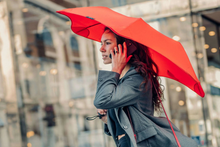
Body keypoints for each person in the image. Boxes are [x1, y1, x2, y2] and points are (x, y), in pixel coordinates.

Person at [94, 28, 198, 147]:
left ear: (124, 47)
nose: (101, 48)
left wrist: (116, 69)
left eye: (107, 43)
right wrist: (107, 119)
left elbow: (101, 101)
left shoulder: (137, 77)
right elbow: (124, 122)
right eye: (101, 43)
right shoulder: (122, 80)